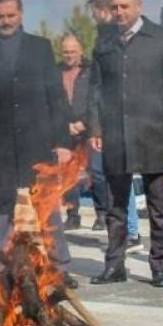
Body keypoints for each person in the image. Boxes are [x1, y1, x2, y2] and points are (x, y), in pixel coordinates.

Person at [0, 0, 74, 282]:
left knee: (47, 206)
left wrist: (62, 141)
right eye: (0, 16)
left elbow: (56, 97)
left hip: (37, 140)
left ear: (21, 14)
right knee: (0, 208)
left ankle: (60, 268)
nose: (6, 21)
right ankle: (2, 266)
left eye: (11, 15)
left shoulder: (40, 47)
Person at [88, 0, 163, 289]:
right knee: (115, 206)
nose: (119, 12)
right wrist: (95, 127)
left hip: (152, 132)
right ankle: (114, 265)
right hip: (115, 133)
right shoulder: (104, 40)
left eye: (125, 6)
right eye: (114, 7)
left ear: (139, 6)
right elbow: (95, 87)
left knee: (159, 207)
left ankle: (159, 266)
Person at [87, 0, 140, 247]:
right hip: (109, 118)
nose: (93, 17)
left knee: (121, 177)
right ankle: (122, 230)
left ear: (103, 10)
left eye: (94, 13)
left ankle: (131, 232)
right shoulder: (104, 37)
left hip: (123, 119)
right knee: (111, 177)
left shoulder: (115, 36)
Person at [58, 34, 103, 231]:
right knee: (68, 175)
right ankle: (72, 216)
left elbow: (97, 100)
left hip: (90, 130)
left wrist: (84, 123)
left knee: (97, 173)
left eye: (73, 51)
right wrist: (64, 125)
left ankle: (102, 215)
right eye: (65, 52)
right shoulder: (55, 72)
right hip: (65, 131)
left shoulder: (92, 71)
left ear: (81, 51)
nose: (69, 55)